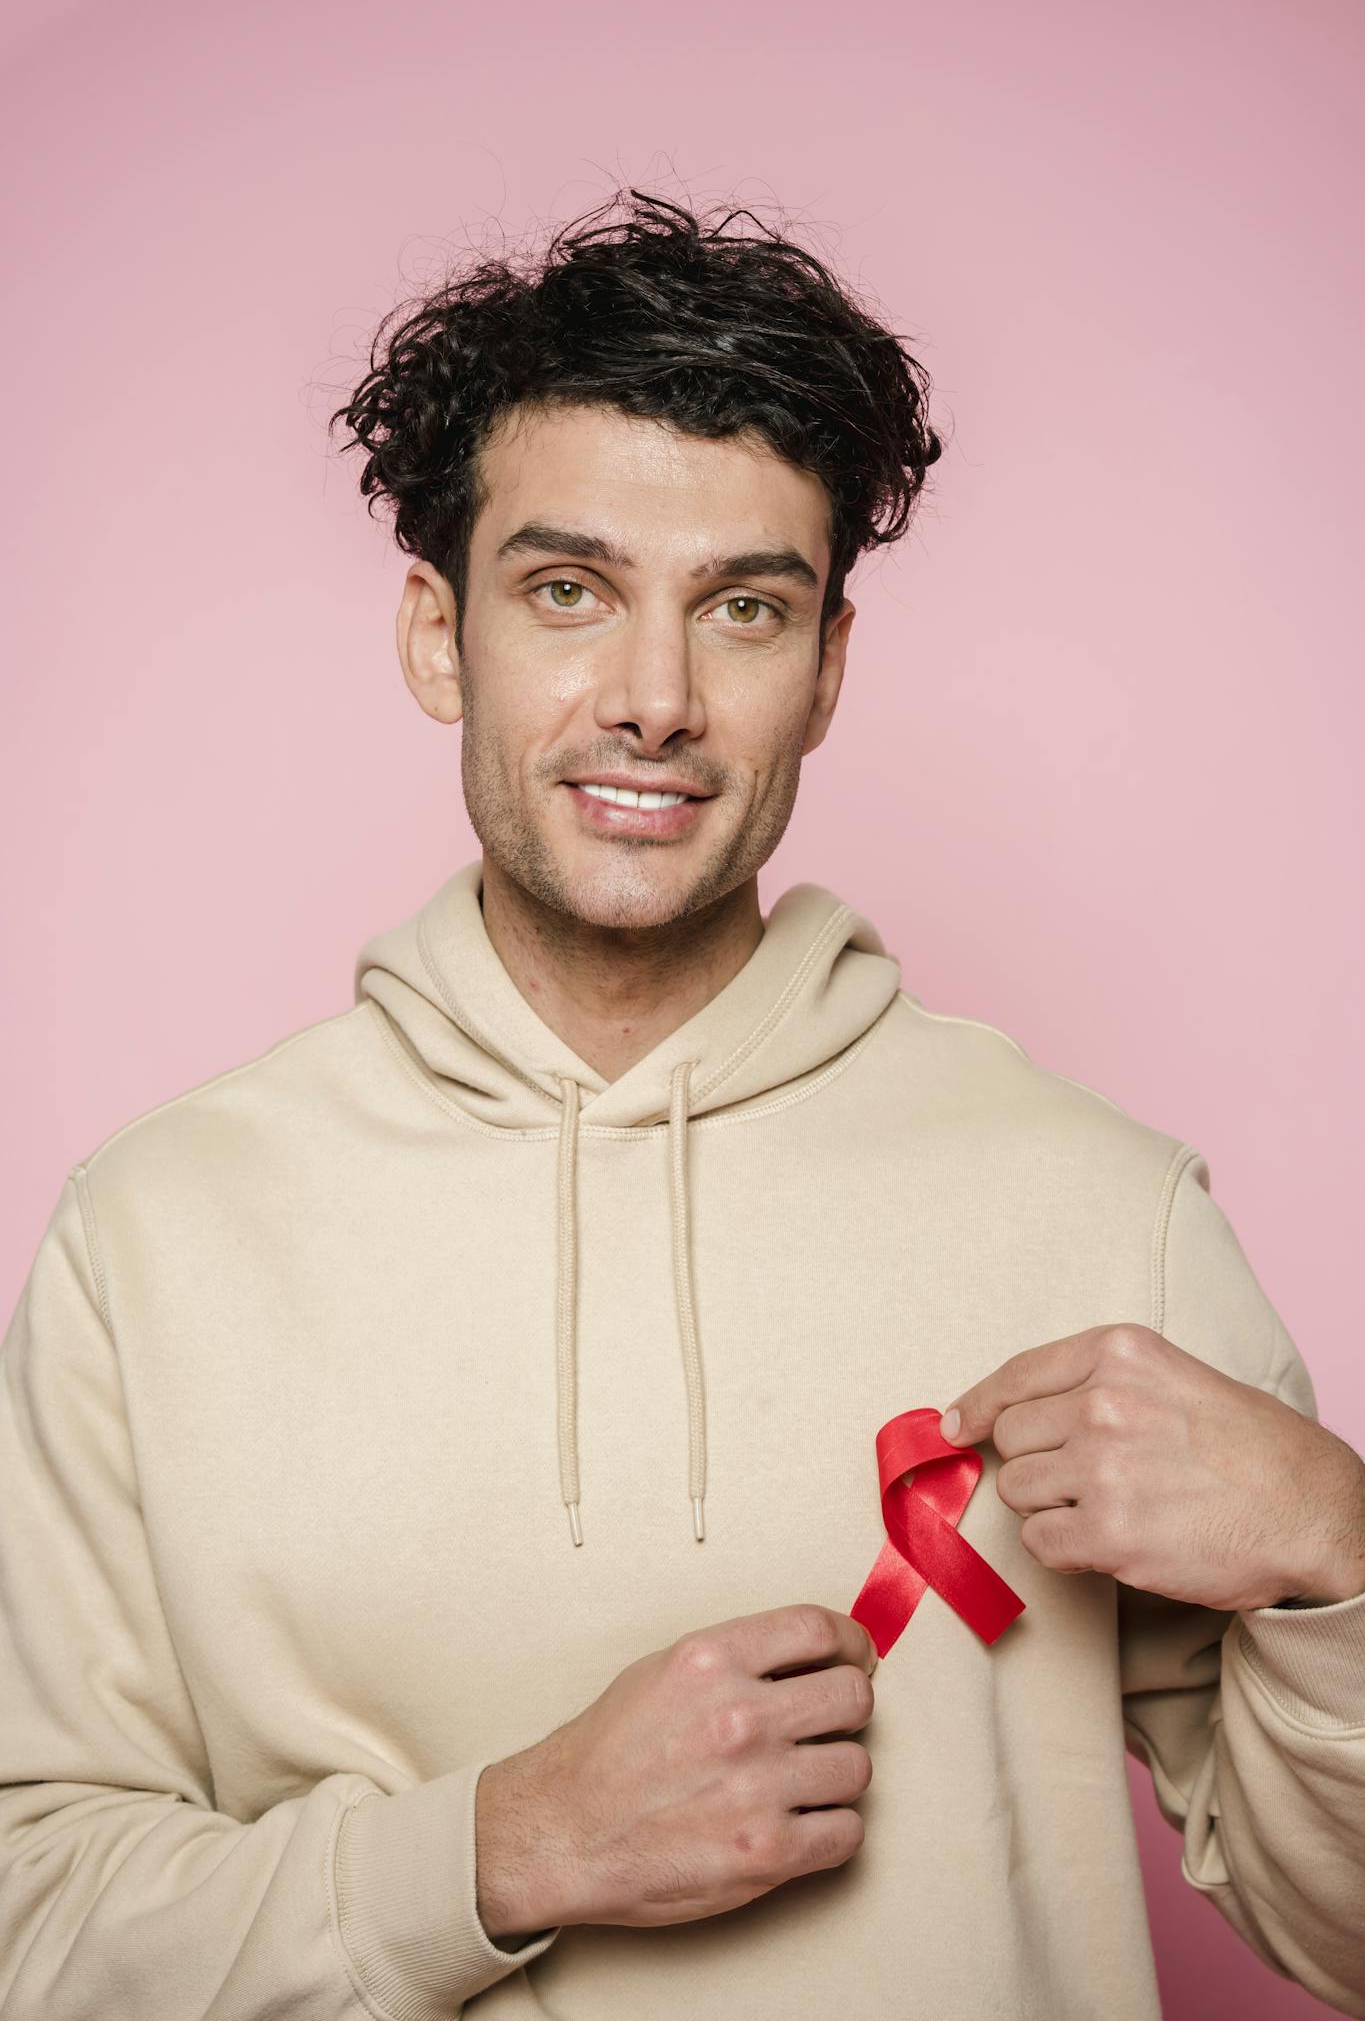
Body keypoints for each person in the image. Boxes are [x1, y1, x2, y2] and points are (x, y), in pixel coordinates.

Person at [2, 187, 1362, 2021]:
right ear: (437, 634)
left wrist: (1341, 1554)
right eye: (568, 592)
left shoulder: (1105, 1215)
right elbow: (31, 1933)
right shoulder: (154, 1234)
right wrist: (502, 1849)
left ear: (825, 674)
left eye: (742, 609)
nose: (652, 698)